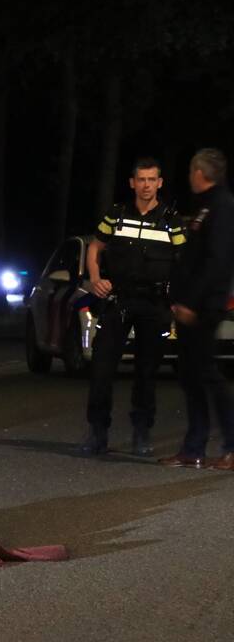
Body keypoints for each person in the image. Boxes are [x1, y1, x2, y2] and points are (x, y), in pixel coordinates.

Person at [82, 157, 186, 456]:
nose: (146, 185)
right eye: (141, 179)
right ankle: (97, 432)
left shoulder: (171, 220)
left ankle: (142, 433)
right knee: (102, 367)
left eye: (152, 179)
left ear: (160, 183)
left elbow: (184, 261)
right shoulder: (116, 215)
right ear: (132, 183)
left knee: (146, 372)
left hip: (154, 304)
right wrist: (95, 278)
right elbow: (95, 246)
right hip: (119, 301)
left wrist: (180, 298)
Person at [160, 148, 234, 470]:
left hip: (204, 306)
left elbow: (216, 261)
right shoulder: (205, 205)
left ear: (199, 173)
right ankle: (194, 448)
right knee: (191, 375)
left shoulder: (222, 205)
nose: (189, 177)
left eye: (191, 171)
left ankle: (231, 445)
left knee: (207, 375)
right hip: (192, 304)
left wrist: (192, 302)